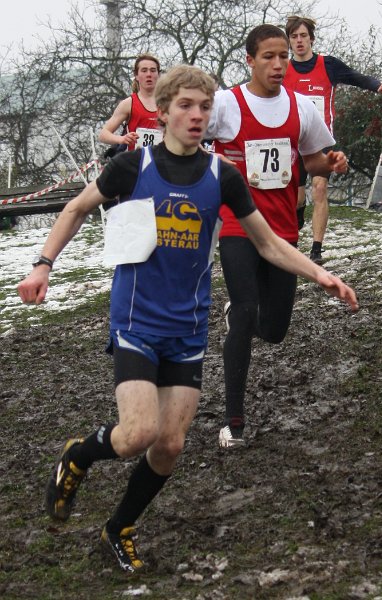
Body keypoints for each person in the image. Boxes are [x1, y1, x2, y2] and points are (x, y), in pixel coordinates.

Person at [17, 64, 358, 573]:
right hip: (136, 320)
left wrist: (320, 275)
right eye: (186, 106)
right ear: (163, 112)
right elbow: (76, 208)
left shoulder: (222, 176)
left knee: (170, 445)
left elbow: (267, 243)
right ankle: (79, 455)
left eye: (204, 107)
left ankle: (119, 527)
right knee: (137, 434)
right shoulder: (132, 166)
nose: (197, 115)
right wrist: (43, 264)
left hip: (188, 327)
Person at [204, 24, 353, 448]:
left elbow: (312, 160)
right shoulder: (225, 104)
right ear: (250, 60)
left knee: (275, 330)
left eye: (284, 56)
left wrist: (332, 163)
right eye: (268, 56)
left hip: (283, 228)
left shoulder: (300, 106)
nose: (278, 64)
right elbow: (186, 135)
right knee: (246, 309)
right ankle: (234, 423)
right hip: (237, 224)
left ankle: (241, 317)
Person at [283, 15, 382, 264]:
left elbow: (355, 77)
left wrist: (378, 85)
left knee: (320, 187)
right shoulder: (283, 69)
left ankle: (316, 250)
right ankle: (297, 220)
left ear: (311, 39)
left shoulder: (328, 65)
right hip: (292, 143)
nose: (299, 41)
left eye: (303, 36)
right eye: (294, 36)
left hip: (321, 140)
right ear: (289, 41)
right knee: (297, 199)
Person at [98, 53, 163, 153]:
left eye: (153, 70)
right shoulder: (128, 104)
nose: (149, 74)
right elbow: (103, 134)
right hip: (135, 160)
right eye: (144, 70)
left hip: (161, 160)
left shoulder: (168, 103)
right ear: (136, 75)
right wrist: (122, 139)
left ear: (158, 74)